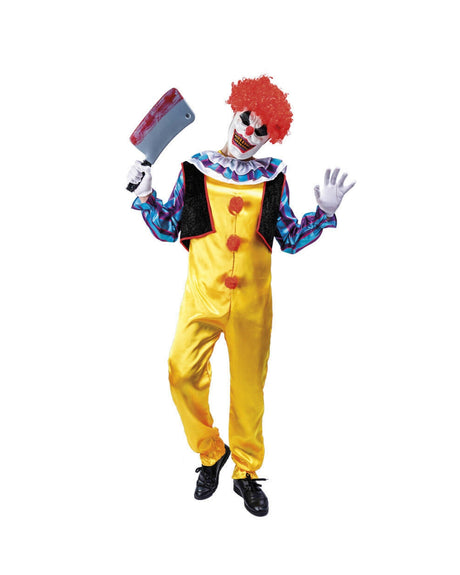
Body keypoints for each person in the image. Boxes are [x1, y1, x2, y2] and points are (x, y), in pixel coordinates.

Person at [127, 75, 355, 517]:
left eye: (262, 130)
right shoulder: (195, 170)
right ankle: (211, 451)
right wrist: (147, 194)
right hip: (201, 301)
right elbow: (167, 227)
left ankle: (246, 471)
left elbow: (290, 237)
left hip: (253, 308)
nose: (249, 132)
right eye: (247, 119)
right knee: (180, 372)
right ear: (234, 111)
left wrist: (323, 213)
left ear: (271, 138)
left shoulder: (274, 179)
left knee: (249, 392)